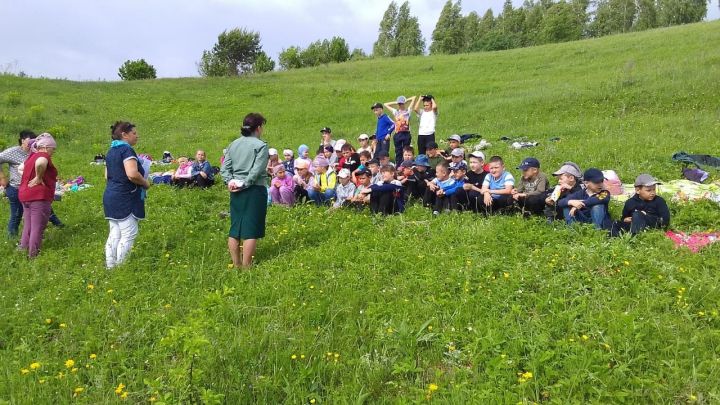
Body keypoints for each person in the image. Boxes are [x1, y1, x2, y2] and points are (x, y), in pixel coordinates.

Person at [220, 113, 270, 268]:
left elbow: (224, 168)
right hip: (254, 190)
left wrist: (230, 182)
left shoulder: (233, 144)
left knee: (236, 227)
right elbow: (256, 171)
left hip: (235, 190)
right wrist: (245, 183)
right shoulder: (261, 146)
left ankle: (236, 264)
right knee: (251, 229)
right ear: (259, 127)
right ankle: (247, 266)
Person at [103, 122, 150, 268]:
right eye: (134, 133)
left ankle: (111, 266)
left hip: (111, 195)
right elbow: (132, 174)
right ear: (124, 134)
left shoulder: (111, 151)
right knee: (129, 233)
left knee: (115, 232)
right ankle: (121, 267)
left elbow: (106, 175)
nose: (137, 136)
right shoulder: (126, 150)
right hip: (125, 196)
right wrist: (145, 183)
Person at [18, 133, 58, 258]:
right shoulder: (42, 155)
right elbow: (40, 163)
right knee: (38, 226)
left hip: (25, 194)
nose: (53, 152)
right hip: (38, 196)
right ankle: (33, 254)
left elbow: (20, 168)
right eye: (53, 149)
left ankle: (22, 247)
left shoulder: (31, 156)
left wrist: (28, 178)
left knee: (28, 224)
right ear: (46, 147)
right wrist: (38, 177)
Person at [0, 130, 38, 237]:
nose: (32, 144)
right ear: (22, 141)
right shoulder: (13, 152)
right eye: (29, 141)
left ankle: (59, 226)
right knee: (16, 215)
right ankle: (11, 238)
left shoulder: (35, 151)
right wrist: (2, 177)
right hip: (16, 189)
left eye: (34, 141)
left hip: (32, 189)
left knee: (43, 210)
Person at [384, 95, 416, 166]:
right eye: (399, 104)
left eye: (402, 103)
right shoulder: (396, 111)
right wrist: (396, 102)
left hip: (406, 133)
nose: (400, 105)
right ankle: (398, 165)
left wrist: (406, 100)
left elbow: (413, 98)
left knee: (406, 150)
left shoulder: (408, 111)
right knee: (398, 151)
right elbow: (386, 104)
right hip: (398, 133)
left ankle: (407, 164)